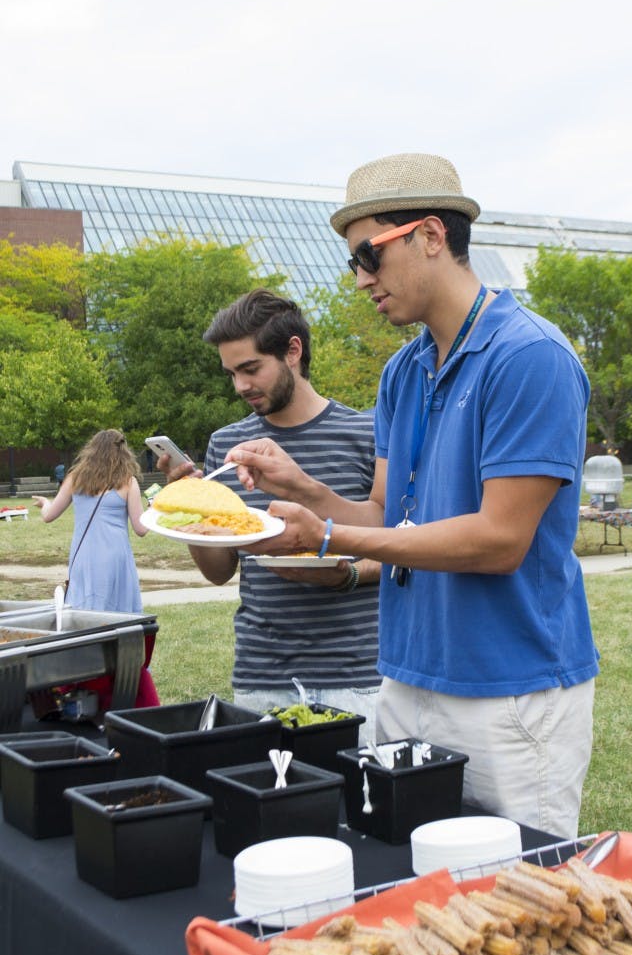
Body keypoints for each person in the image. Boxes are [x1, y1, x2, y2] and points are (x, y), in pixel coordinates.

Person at [220, 153, 600, 840]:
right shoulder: (402, 370)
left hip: (509, 691)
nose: (362, 278)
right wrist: (299, 486)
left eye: (369, 255)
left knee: (516, 908)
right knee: (407, 878)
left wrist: (326, 537)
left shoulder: (529, 356)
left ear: (429, 235)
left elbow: (496, 541)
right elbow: (386, 517)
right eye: (351, 263)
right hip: (403, 678)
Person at [160, 289, 381, 736]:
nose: (241, 385)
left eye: (251, 368)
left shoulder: (365, 434)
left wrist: (348, 574)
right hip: (262, 677)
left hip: (358, 678)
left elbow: (400, 546)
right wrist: (187, 509)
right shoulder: (228, 446)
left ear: (293, 351)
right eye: (232, 373)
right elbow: (219, 570)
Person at [32, 429, 159, 711]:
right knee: (118, 618)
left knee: (84, 614)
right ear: (123, 451)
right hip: (116, 559)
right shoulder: (128, 482)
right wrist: (156, 508)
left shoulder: (75, 478)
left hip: (84, 558)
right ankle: (119, 675)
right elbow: (140, 529)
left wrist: (44, 504)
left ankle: (82, 678)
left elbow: (50, 516)